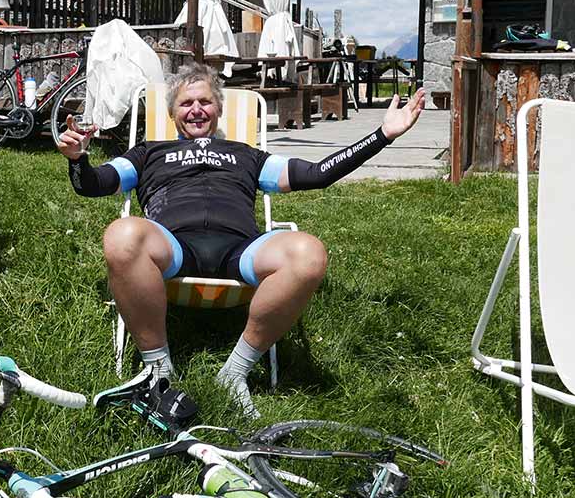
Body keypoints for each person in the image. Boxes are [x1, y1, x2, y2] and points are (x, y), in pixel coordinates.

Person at [58, 60, 426, 417]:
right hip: (171, 246)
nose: (196, 110)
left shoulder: (248, 156)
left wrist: (383, 136)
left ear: (219, 109)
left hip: (240, 250)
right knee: (122, 233)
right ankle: (158, 372)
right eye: (186, 103)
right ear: (172, 113)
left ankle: (234, 372)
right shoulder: (147, 153)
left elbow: (317, 174)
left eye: (205, 102)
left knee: (308, 253)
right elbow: (94, 185)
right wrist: (78, 160)